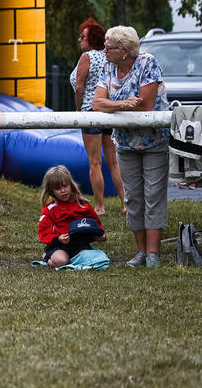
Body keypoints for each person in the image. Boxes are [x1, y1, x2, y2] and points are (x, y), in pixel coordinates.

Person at [94, 26, 170, 268]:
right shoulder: (107, 66)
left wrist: (114, 104)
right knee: (134, 198)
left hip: (154, 140)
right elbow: (97, 103)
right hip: (125, 143)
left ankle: (153, 254)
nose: (104, 50)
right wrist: (124, 103)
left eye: (109, 47)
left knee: (153, 196)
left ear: (125, 51)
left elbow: (146, 105)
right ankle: (140, 251)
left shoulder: (148, 63)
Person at [69, 18, 126, 214]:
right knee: (113, 162)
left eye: (83, 36)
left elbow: (79, 87)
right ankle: (125, 203)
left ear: (91, 38)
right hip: (107, 112)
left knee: (95, 162)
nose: (80, 39)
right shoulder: (108, 57)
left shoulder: (87, 57)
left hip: (90, 112)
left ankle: (100, 206)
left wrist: (79, 109)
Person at [38, 165, 106, 268]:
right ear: (51, 191)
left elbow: (95, 222)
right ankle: (49, 258)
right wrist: (58, 239)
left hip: (80, 243)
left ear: (71, 185)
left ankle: (75, 258)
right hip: (59, 246)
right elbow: (43, 231)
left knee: (92, 260)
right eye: (57, 188)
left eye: (65, 186)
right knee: (60, 261)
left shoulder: (83, 203)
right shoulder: (49, 209)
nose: (63, 191)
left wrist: (100, 234)